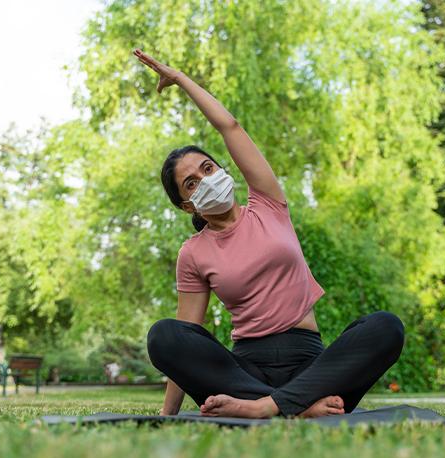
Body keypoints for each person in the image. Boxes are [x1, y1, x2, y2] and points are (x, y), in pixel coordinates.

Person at [134, 48, 405, 419]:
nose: (206, 181)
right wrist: (167, 415)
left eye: (208, 168)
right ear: (187, 207)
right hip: (244, 372)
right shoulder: (193, 253)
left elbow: (230, 127)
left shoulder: (268, 204)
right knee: (163, 335)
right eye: (192, 184)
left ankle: (267, 407)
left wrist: (181, 79)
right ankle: (297, 408)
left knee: (385, 327)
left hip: (312, 366)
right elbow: (185, 338)